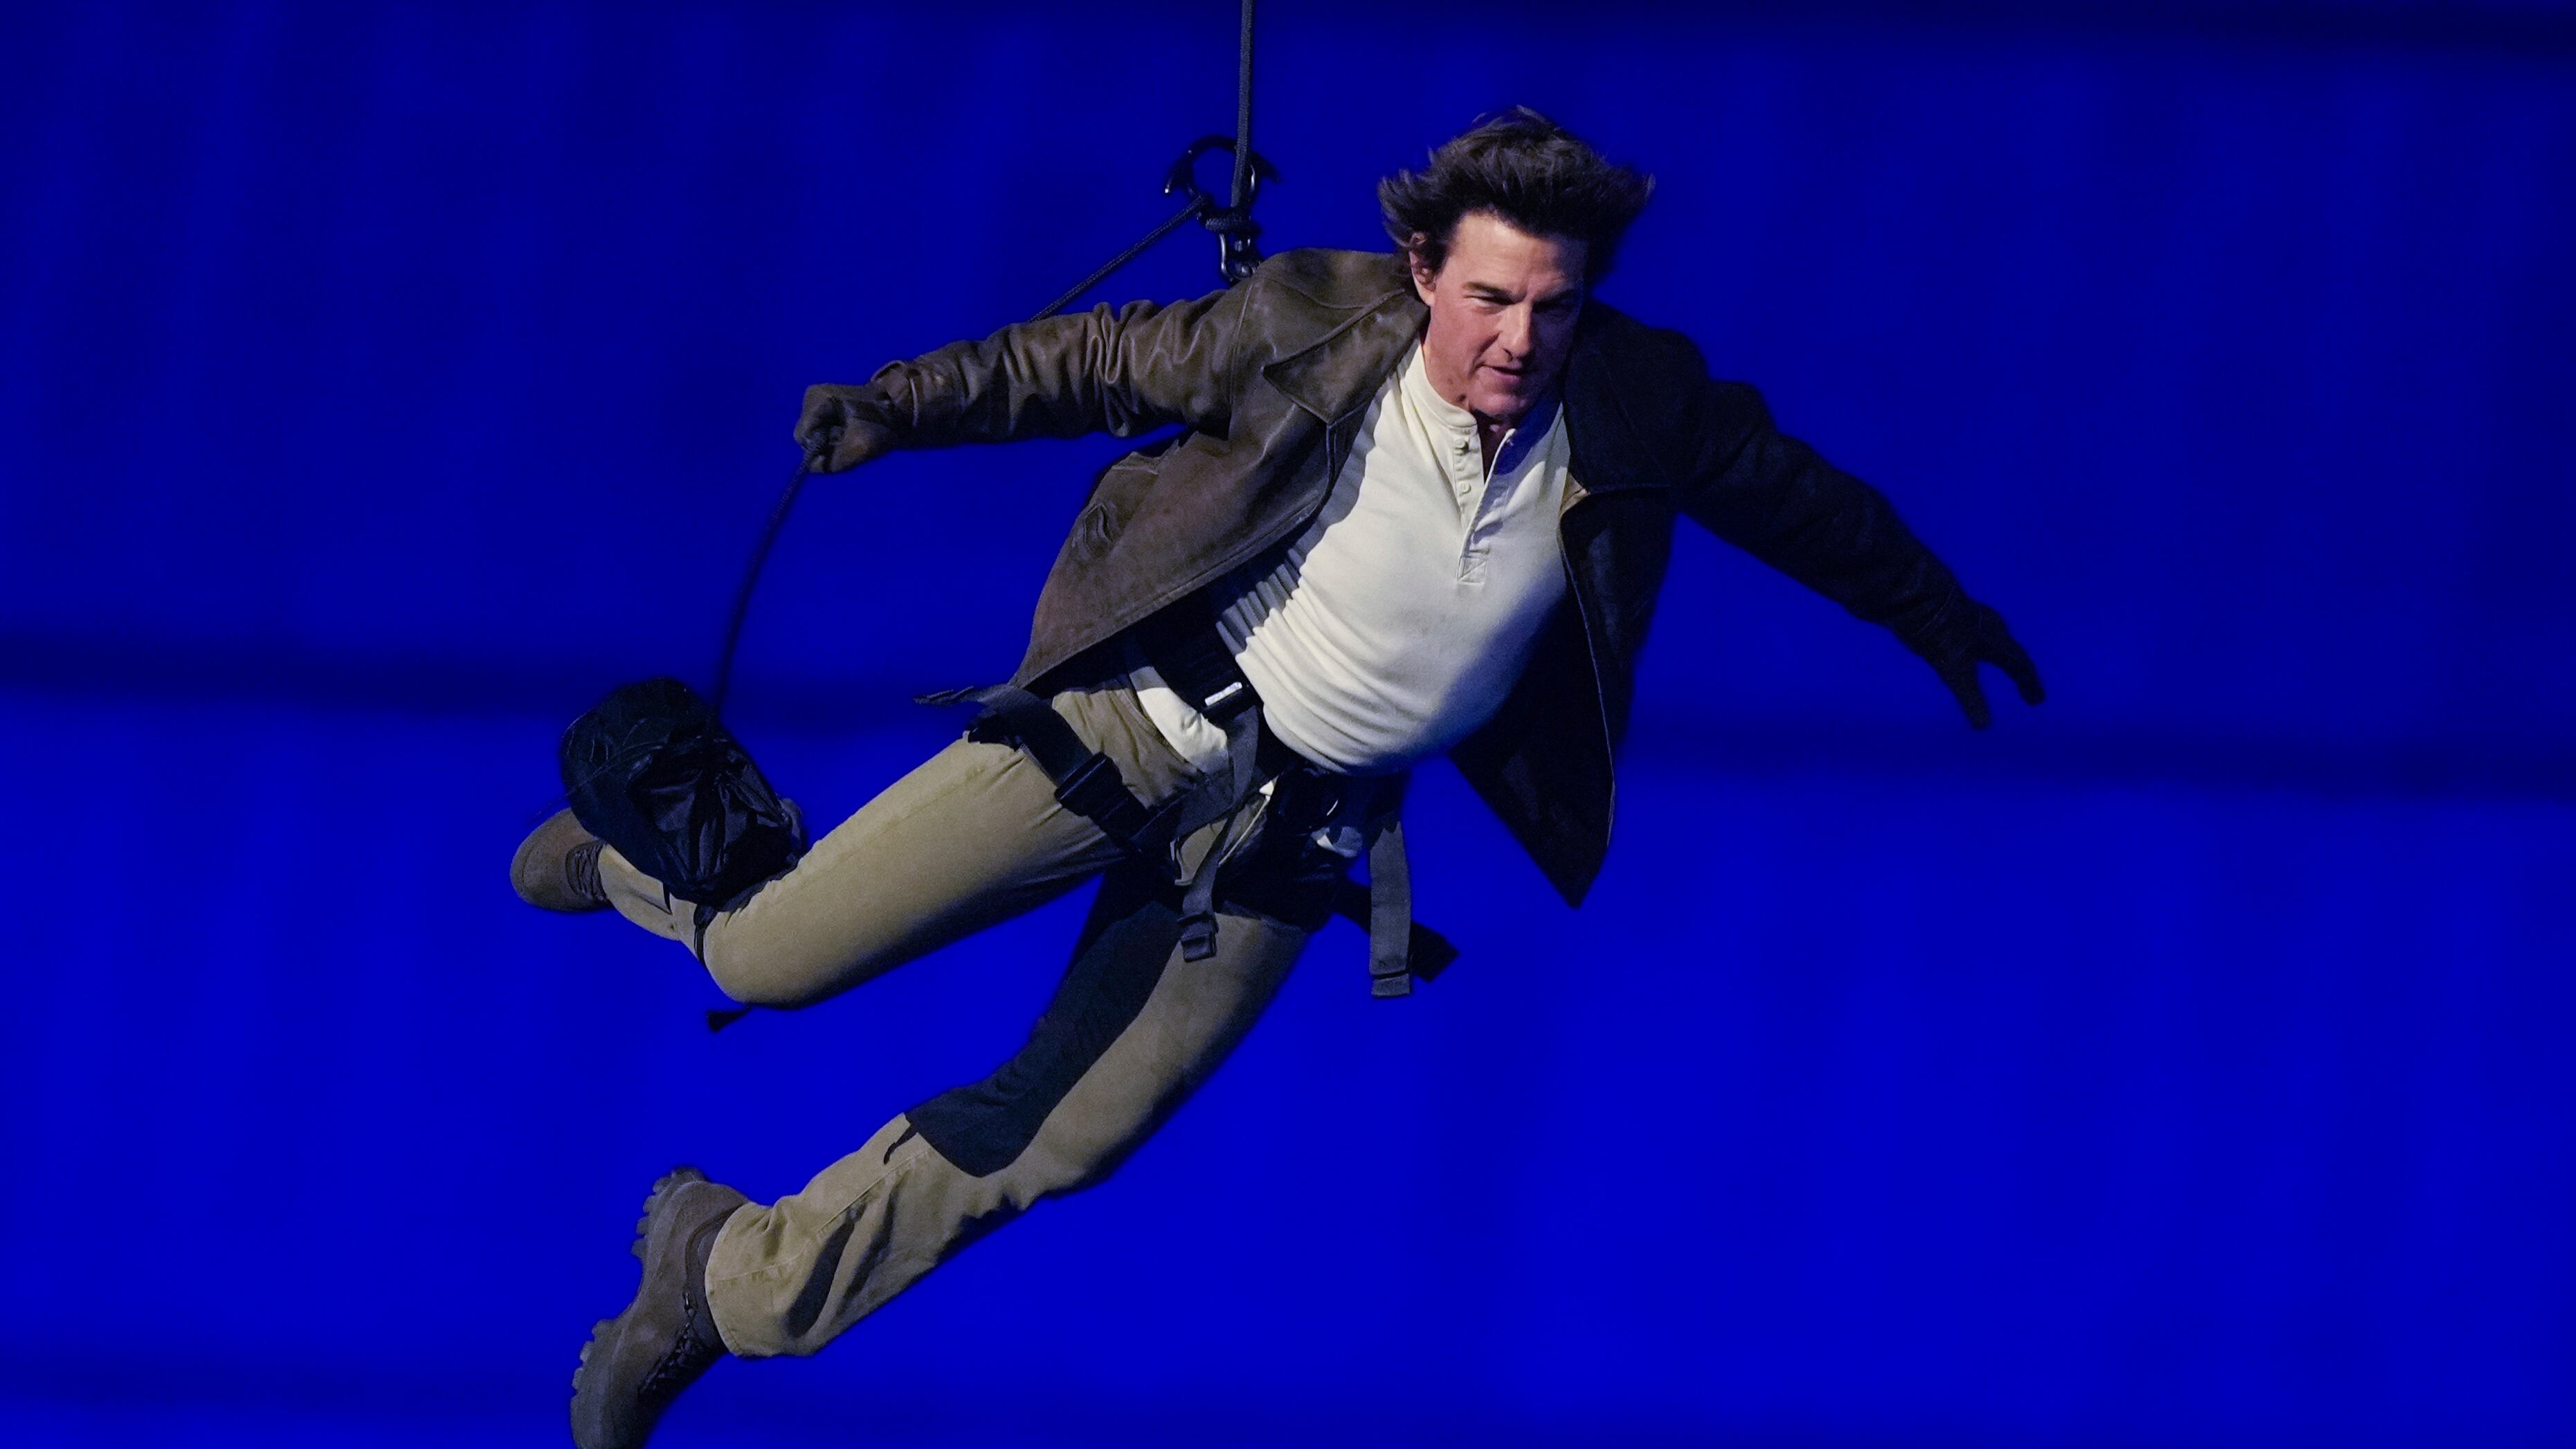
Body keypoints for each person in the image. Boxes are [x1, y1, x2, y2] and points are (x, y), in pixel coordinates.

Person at [520, 108, 2044, 1449]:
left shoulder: (1631, 398)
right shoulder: (1314, 321)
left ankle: (726, 1285)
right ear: (1422, 268)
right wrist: (900, 406)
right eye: (1491, 298)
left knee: (1073, 1134)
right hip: (1131, 732)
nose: (1519, 339)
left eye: (1554, 308)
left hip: (1296, 829)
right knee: (767, 955)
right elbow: (1099, 360)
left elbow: (1790, 493)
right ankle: (631, 870)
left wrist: (1929, 609)